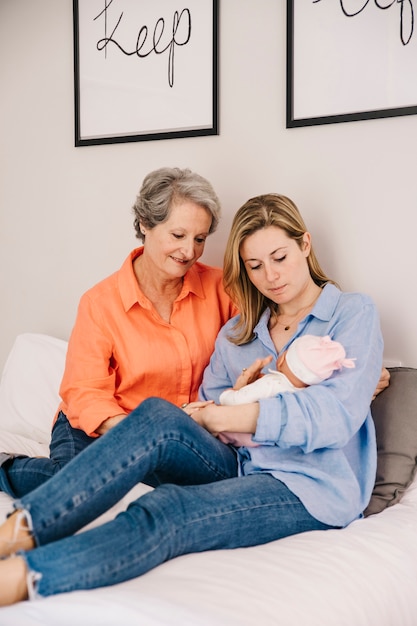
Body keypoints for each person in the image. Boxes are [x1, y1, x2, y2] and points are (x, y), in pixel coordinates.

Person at [0, 192, 384, 606]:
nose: (270, 276)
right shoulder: (239, 332)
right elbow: (207, 406)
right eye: (255, 266)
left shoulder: (351, 313)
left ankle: (24, 577)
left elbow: (334, 417)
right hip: (238, 464)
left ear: (305, 245)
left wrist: (226, 416)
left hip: (309, 484)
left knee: (168, 508)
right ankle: (16, 531)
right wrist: (233, 403)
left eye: (280, 257)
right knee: (155, 415)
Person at [0, 167, 237, 498]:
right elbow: (84, 392)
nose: (190, 252)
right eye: (178, 235)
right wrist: (142, 437)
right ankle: (6, 468)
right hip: (98, 425)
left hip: (179, 435)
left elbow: (251, 346)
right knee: (77, 489)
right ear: (145, 224)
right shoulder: (100, 303)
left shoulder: (222, 288)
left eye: (200, 239)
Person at [218, 334, 356, 447]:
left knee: (215, 432)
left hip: (241, 434)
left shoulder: (271, 383)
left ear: (282, 359)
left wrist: (228, 394)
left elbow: (237, 401)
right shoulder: (302, 394)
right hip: (267, 442)